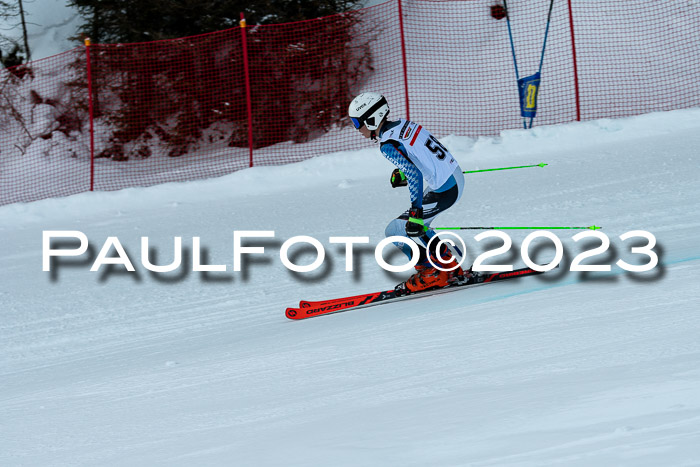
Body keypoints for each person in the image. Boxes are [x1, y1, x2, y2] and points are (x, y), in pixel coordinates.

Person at [348, 92, 467, 294]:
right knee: (421, 225)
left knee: (394, 231)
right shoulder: (403, 125)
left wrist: (416, 211)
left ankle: (431, 273)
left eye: (357, 122)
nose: (356, 128)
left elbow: (414, 174)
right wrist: (403, 171)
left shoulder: (388, 145)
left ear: (371, 119)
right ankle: (448, 265)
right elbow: (419, 155)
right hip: (453, 178)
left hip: (445, 189)